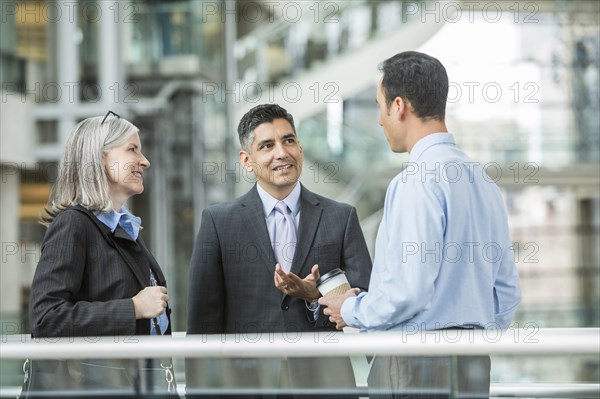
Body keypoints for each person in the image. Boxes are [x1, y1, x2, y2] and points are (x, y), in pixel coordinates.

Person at [318, 51, 522, 398]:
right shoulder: (483, 182)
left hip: (414, 364)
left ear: (399, 106)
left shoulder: (416, 181)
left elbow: (410, 291)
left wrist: (351, 309)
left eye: (380, 106)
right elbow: (506, 296)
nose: (380, 121)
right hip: (473, 363)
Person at [186, 103, 372, 399]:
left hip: (324, 381)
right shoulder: (219, 222)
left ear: (300, 148)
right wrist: (198, 391)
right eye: (267, 145)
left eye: (288, 140)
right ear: (247, 160)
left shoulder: (341, 216)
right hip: (246, 382)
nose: (281, 153)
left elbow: (366, 299)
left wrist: (317, 298)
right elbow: (203, 320)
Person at [27, 111, 175, 397]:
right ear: (99, 158)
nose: (145, 161)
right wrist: (132, 308)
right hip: (97, 388)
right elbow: (46, 318)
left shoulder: (123, 228)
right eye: (132, 149)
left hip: (139, 384)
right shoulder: (73, 224)